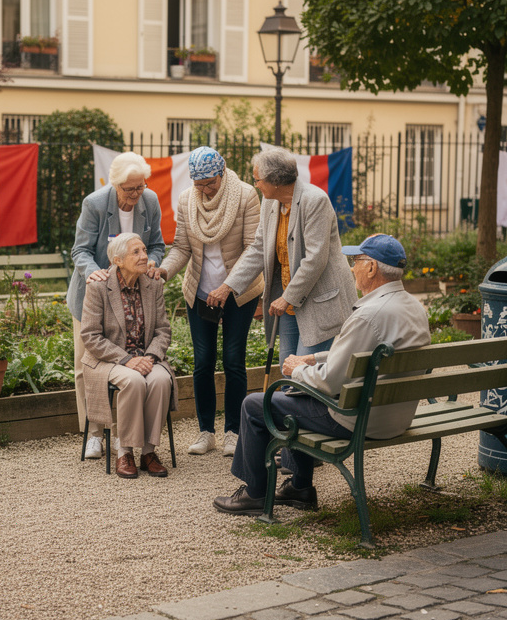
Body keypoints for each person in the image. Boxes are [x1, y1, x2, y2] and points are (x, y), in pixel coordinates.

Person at [213, 234, 430, 514]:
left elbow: (328, 382)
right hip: (395, 416)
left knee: (256, 404)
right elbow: (361, 356)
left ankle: (255, 494)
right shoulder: (413, 307)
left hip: (359, 420)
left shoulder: (369, 315)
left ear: (372, 268)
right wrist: (313, 358)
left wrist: (298, 369)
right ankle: (299, 488)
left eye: (356, 261)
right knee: (295, 395)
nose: (352, 268)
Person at [151, 147, 264, 458]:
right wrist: (164, 270)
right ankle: (206, 432)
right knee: (202, 362)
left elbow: (253, 249)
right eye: (198, 183)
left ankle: (233, 431)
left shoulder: (245, 195)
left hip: (238, 291)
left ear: (222, 172)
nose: (204, 189)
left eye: (209, 183)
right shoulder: (188, 199)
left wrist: (227, 287)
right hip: (200, 291)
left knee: (233, 361)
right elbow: (182, 248)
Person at [220, 147, 356, 368]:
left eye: (258, 180)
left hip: (318, 300)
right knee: (287, 368)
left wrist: (287, 297)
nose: (256, 185)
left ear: (275, 181)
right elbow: (258, 248)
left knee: (305, 375)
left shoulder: (315, 201)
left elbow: (315, 260)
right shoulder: (270, 202)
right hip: (289, 301)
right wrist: (229, 286)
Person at [70, 151, 166, 461]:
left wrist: (150, 262)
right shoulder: (95, 204)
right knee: (87, 365)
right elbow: (80, 251)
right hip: (95, 294)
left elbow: (158, 245)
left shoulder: (149, 201)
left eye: (141, 187)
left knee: (128, 362)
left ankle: (126, 437)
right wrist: (93, 272)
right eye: (130, 189)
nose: (137, 194)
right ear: (115, 185)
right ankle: (95, 433)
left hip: (133, 291)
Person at [80, 233, 176, 479]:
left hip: (146, 357)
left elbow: (163, 330)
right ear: (117, 260)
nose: (145, 256)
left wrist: (151, 358)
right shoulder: (98, 287)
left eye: (144, 250)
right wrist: (127, 360)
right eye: (136, 252)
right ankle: (124, 451)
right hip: (109, 359)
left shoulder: (153, 285)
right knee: (133, 381)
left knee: (160, 380)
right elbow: (90, 336)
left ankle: (148, 451)